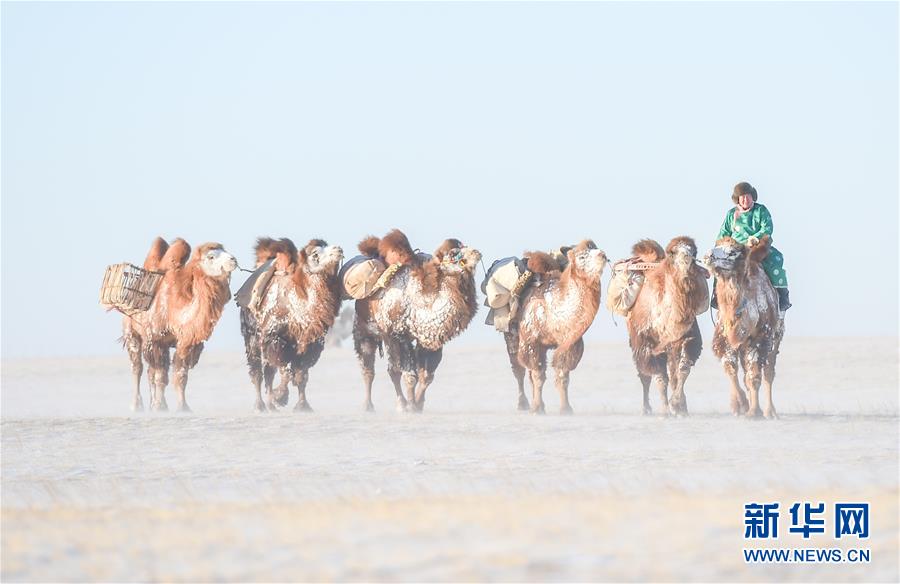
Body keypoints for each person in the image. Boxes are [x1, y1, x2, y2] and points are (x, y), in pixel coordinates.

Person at [712, 181, 791, 311]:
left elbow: (767, 228)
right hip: (734, 248)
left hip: (756, 246)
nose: (745, 199)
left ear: (752, 196)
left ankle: (782, 296)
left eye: (747, 196)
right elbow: (724, 232)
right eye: (742, 197)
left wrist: (756, 238)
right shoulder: (731, 214)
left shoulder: (761, 210)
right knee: (717, 263)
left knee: (775, 260)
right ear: (737, 199)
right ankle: (717, 295)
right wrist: (720, 245)